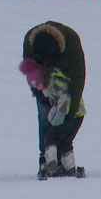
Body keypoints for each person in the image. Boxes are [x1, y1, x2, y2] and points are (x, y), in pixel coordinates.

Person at [23, 22, 86, 177]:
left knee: (64, 125)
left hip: (64, 88)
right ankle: (46, 160)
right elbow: (29, 68)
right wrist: (37, 91)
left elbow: (78, 78)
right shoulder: (30, 42)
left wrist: (71, 111)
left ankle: (63, 161)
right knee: (46, 119)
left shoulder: (71, 42)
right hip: (44, 85)